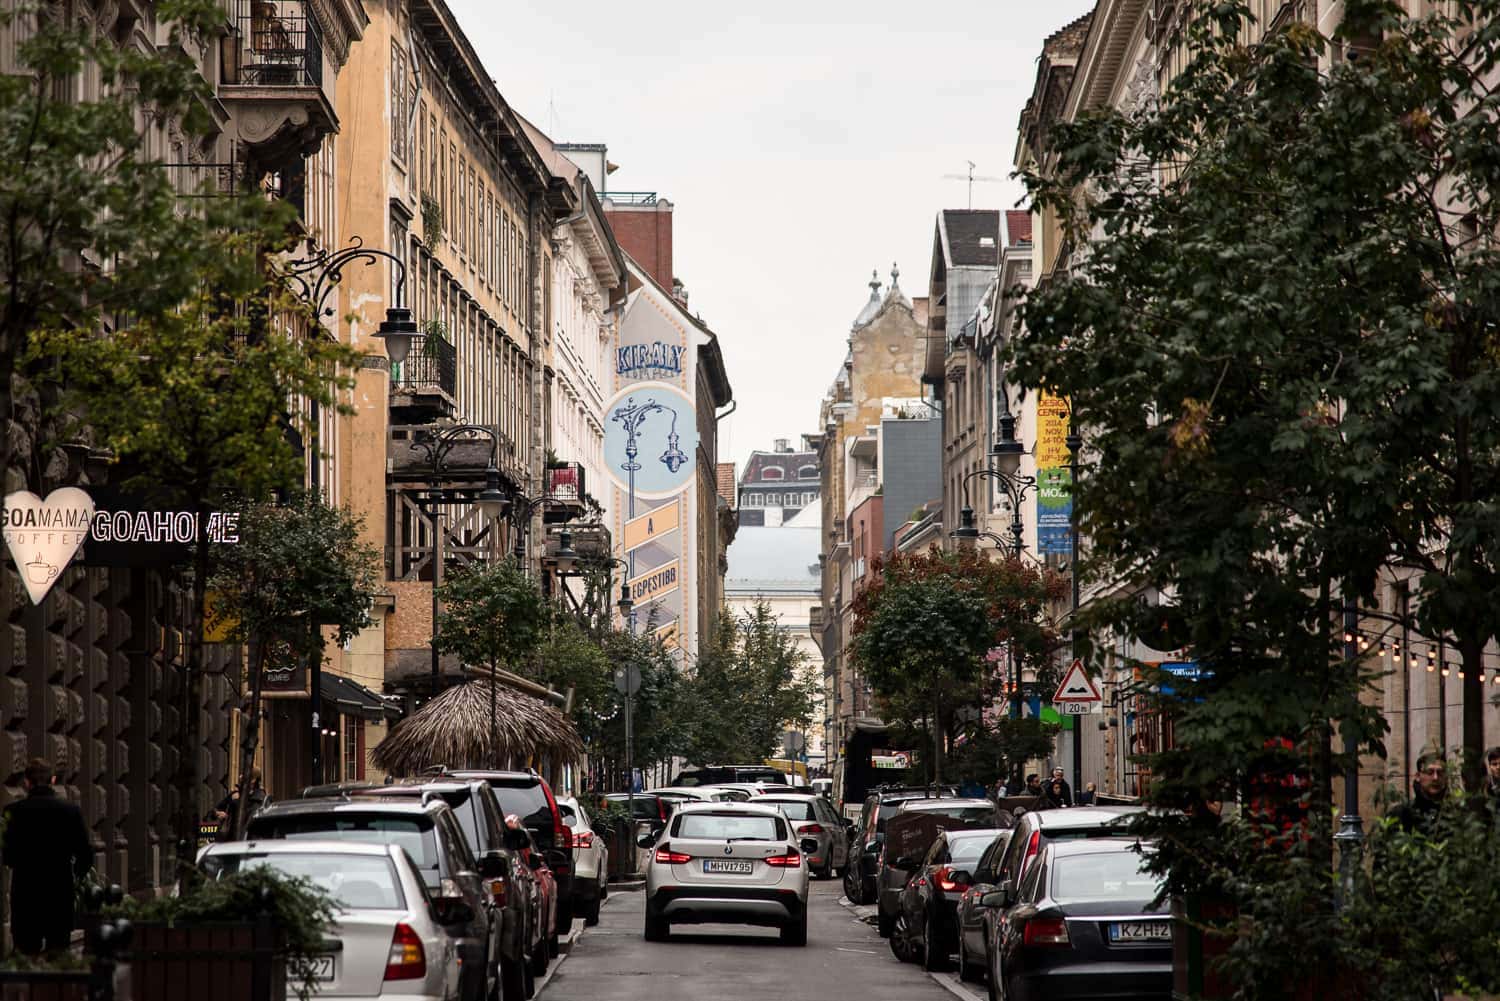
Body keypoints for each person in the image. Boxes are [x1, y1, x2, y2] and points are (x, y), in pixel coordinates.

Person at [1, 758, 93, 954]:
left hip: (26, 895)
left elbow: (7, 856)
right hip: (59, 893)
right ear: (52, 780)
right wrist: (75, 876)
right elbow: (85, 855)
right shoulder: (70, 812)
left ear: (27, 782)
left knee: (26, 957)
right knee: (58, 958)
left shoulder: (13, 812)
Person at [1388, 750, 1446, 835]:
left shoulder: (1456, 815)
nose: (1435, 778)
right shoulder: (1402, 814)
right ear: (1418, 776)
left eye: (1440, 773)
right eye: (1429, 772)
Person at [214, 767, 269, 842]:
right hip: (230, 841)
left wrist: (237, 802)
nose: (240, 776)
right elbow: (215, 810)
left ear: (253, 780)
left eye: (244, 774)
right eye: (241, 774)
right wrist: (220, 814)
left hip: (250, 841)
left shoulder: (261, 799)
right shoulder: (235, 794)